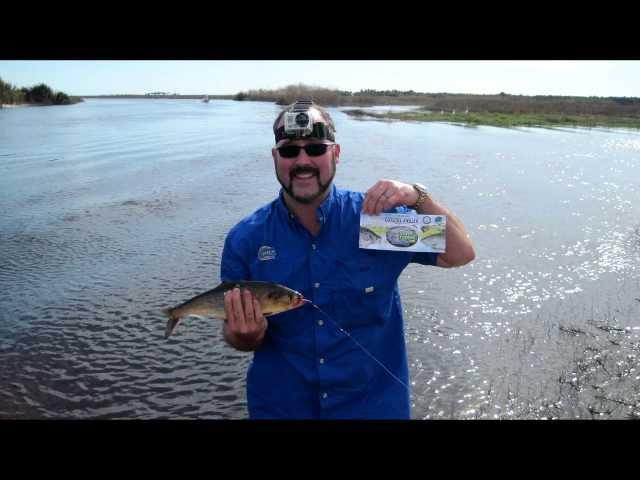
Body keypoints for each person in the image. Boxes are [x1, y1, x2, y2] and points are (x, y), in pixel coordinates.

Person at [220, 99, 475, 419]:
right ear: (275, 157)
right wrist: (245, 335)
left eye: (315, 149)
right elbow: (234, 333)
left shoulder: (376, 222)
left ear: (335, 154)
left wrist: (417, 196)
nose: (302, 161)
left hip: (373, 407)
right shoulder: (247, 239)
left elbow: (460, 253)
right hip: (282, 407)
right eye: (289, 151)